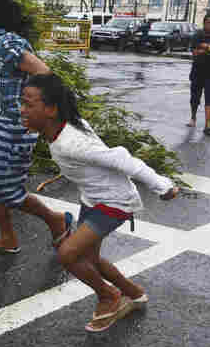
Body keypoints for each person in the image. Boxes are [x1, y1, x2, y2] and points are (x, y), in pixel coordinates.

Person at [20, 73, 179, 332]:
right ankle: (134, 293)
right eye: (23, 103)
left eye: (28, 104)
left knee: (68, 254)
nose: (23, 110)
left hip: (113, 203)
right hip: (93, 199)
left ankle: (109, 296)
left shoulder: (72, 143)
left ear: (50, 110)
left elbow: (121, 159)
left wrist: (163, 186)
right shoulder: (63, 126)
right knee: (88, 260)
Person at [0, 0, 71, 254]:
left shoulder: (9, 44)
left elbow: (47, 75)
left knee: (5, 190)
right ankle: (8, 238)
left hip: (15, 128)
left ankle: (57, 220)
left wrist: (39, 113)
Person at [187, 13, 210, 134]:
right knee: (195, 97)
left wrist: (207, 47)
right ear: (204, 23)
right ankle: (193, 117)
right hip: (198, 70)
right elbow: (195, 52)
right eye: (207, 22)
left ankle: (207, 124)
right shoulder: (198, 34)